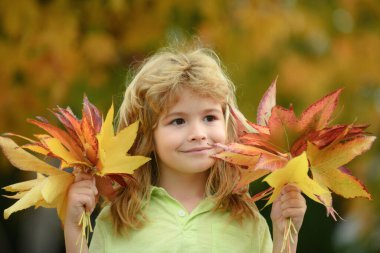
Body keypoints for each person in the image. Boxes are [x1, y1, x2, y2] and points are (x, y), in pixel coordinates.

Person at [64, 46, 307, 253]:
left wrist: (286, 234)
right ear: (147, 134)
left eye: (210, 118)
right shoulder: (119, 218)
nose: (198, 133)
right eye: (178, 121)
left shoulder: (246, 220)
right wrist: (74, 229)